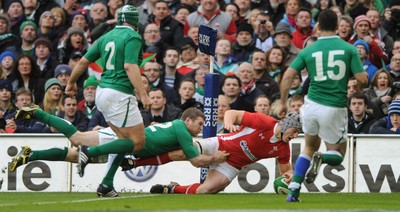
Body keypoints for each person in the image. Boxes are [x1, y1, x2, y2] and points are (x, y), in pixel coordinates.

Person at [9, 107, 228, 197]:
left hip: (127, 140)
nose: (201, 128)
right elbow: (196, 161)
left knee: (72, 155)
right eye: (199, 124)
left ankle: (31, 155)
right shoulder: (183, 130)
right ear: (187, 120)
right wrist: (214, 159)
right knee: (77, 139)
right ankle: (38, 113)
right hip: (124, 138)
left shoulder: (178, 130)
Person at [278, 9, 368, 202]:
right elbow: (362, 79)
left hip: (310, 106)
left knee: (308, 147)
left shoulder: (308, 50)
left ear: (317, 26)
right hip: (334, 107)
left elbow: (287, 76)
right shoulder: (349, 48)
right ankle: (323, 158)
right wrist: (360, 81)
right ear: (337, 26)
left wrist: (283, 102)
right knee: (338, 153)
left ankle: (293, 190)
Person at [64, 5, 151, 182]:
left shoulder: (105, 36)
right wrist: (143, 94)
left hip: (102, 92)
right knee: (138, 142)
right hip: (119, 93)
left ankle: (106, 184)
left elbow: (82, 62)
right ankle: (89, 152)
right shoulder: (133, 36)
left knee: (122, 140)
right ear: (135, 20)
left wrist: (71, 82)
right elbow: (130, 66)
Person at [147, 110, 302, 194]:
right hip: (220, 144)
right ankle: (138, 162)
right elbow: (232, 113)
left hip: (234, 164)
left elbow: (285, 171)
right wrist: (229, 123)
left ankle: (173, 188)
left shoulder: (283, 148)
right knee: (183, 153)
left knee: (207, 190)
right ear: (286, 124)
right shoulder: (265, 122)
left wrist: (289, 176)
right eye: (294, 131)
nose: (295, 136)